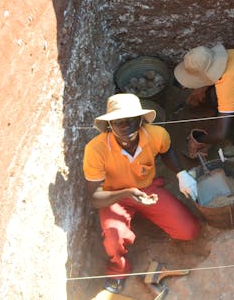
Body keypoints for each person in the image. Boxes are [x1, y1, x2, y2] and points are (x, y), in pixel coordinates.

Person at [83, 93, 201, 294]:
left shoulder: (156, 135)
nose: (124, 126)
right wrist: (128, 193)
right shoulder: (96, 149)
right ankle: (118, 270)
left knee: (188, 231)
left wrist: (181, 174)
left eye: (130, 120)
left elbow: (166, 151)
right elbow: (95, 198)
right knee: (113, 237)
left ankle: (150, 222)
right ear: (109, 125)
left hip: (148, 190)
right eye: (117, 121)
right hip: (115, 197)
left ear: (140, 120)